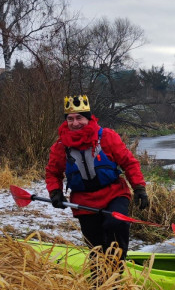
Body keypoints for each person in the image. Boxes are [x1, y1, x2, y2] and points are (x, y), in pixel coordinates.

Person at [46, 94, 149, 262]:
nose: (75, 123)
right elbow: (52, 173)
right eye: (70, 119)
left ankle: (117, 266)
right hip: (84, 202)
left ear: (88, 118)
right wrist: (55, 192)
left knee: (115, 224)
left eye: (79, 117)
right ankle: (99, 279)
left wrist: (139, 188)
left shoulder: (107, 137)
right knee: (96, 246)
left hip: (114, 194)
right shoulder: (60, 147)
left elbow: (129, 163)